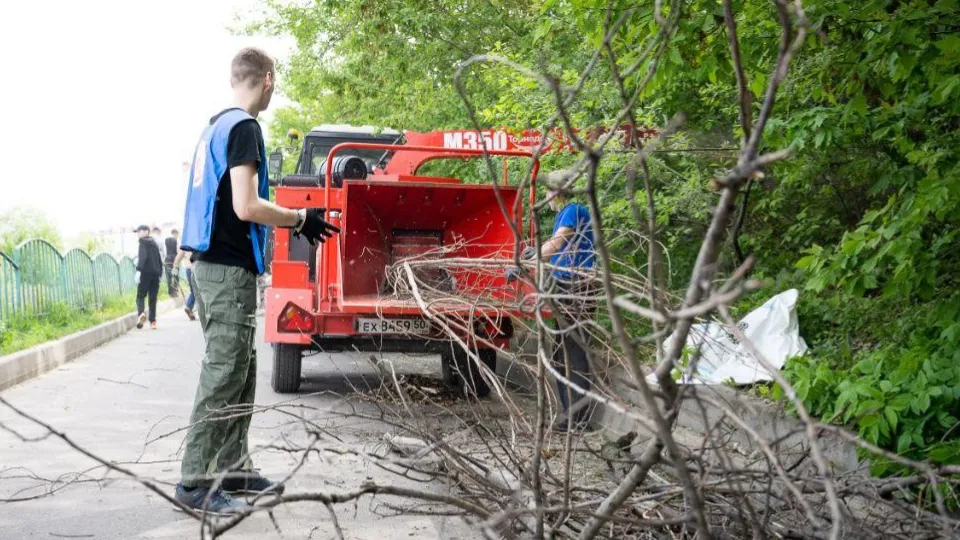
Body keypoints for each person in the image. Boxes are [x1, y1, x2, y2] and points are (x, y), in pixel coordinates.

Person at [175, 47, 339, 514]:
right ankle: (194, 483)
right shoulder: (244, 127)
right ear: (267, 79)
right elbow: (246, 206)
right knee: (224, 373)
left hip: (218, 268)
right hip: (226, 271)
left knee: (241, 372)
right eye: (275, 82)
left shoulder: (215, 126)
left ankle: (233, 468)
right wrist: (299, 218)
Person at [509, 185, 596, 432]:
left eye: (547, 193)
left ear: (557, 193)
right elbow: (552, 250)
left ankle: (577, 421)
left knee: (573, 354)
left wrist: (524, 262)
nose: (546, 198)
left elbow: (555, 245)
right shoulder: (566, 214)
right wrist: (530, 259)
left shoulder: (573, 210)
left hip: (577, 290)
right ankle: (571, 417)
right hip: (567, 289)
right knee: (561, 355)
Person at [134, 225, 164, 330]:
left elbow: (143, 257)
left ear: (146, 231)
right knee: (153, 297)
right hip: (155, 274)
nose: (138, 234)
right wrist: (160, 273)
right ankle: (153, 322)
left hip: (145, 273)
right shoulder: (154, 243)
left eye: (139, 231)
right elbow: (159, 259)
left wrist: (138, 270)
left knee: (140, 295)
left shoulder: (142, 242)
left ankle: (141, 313)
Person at [171, 248, 197, 321]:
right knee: (198, 291)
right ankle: (191, 307)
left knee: (193, 290)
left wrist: (175, 267)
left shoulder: (186, 245)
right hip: (198, 269)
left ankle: (189, 308)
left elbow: (178, 258)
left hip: (189, 270)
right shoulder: (199, 243)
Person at [164, 229, 180, 296]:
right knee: (175, 276)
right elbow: (178, 251)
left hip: (167, 260)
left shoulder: (165, 240)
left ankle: (170, 292)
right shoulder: (177, 240)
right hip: (175, 260)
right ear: (175, 233)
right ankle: (175, 291)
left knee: (169, 277)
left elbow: (164, 251)